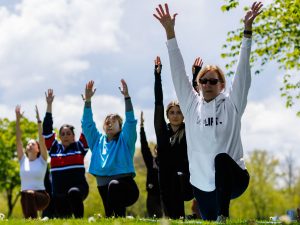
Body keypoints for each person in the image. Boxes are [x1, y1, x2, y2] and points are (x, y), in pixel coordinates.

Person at [153, 2, 263, 221]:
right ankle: (216, 215)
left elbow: (242, 71)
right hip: (202, 185)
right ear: (198, 83)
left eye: (213, 80)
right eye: (202, 80)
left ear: (221, 85)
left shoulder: (232, 105)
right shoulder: (192, 106)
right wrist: (170, 32)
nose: (207, 83)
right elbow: (177, 72)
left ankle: (224, 215)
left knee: (221, 160)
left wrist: (247, 32)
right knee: (208, 220)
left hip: (234, 179)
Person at [81, 80, 139, 217]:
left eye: (114, 122)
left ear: (120, 126)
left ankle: (120, 217)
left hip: (127, 189)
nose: (110, 124)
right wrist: (87, 101)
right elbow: (87, 125)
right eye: (107, 122)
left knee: (113, 186)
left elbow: (130, 121)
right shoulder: (97, 141)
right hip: (103, 184)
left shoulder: (125, 141)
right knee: (110, 214)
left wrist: (127, 97)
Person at [154, 56, 193, 219]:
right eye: (172, 112)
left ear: (184, 115)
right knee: (169, 218)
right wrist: (157, 76)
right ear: (167, 115)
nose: (175, 116)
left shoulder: (189, 130)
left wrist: (196, 75)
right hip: (164, 180)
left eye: (179, 112)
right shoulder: (162, 131)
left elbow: (193, 102)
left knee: (176, 177)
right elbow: (158, 101)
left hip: (184, 182)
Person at [43, 89, 89, 218]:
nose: (65, 136)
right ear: (59, 137)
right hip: (59, 195)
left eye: (68, 133)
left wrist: (87, 103)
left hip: (78, 190)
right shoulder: (53, 148)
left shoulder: (80, 146)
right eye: (62, 134)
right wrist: (49, 105)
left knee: (73, 192)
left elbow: (87, 126)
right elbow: (46, 129)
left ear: (74, 136)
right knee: (64, 219)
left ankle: (80, 221)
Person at [16, 105, 50, 218]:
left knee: (30, 194)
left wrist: (39, 121)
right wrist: (18, 119)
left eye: (33, 144)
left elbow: (41, 139)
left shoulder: (42, 160)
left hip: (41, 197)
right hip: (25, 196)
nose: (29, 145)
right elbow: (18, 140)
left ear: (38, 149)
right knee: (27, 197)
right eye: (28, 144)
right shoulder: (22, 160)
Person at [140, 111, 162, 218]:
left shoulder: (169, 162)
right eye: (158, 149)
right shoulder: (151, 161)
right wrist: (141, 127)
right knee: (154, 219)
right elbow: (144, 147)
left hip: (166, 195)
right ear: (155, 150)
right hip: (152, 195)